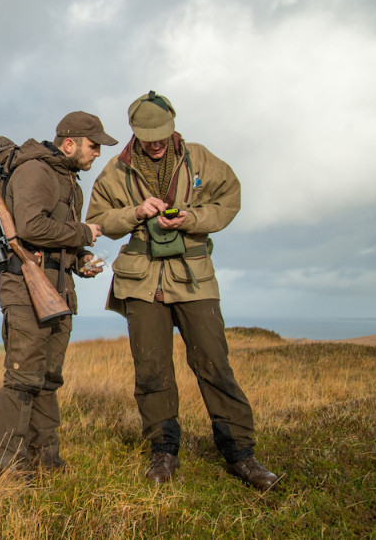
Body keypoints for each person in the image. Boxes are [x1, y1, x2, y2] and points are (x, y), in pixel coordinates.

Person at [85, 91, 279, 491]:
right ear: (134, 132)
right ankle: (164, 450)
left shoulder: (201, 158)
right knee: (152, 371)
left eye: (161, 135)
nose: (155, 143)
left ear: (172, 128)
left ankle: (241, 454)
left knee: (214, 365)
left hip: (194, 278)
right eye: (147, 136)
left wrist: (192, 218)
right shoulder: (114, 171)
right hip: (140, 282)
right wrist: (134, 213)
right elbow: (98, 220)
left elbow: (231, 198)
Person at [0, 111, 117, 476]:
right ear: (69, 143)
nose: (97, 153)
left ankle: (46, 458)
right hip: (26, 292)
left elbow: (55, 236)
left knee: (48, 379)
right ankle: (11, 470)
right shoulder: (35, 171)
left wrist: (81, 261)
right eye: (93, 146)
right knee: (22, 380)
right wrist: (83, 233)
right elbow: (30, 227)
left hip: (57, 290)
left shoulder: (68, 180)